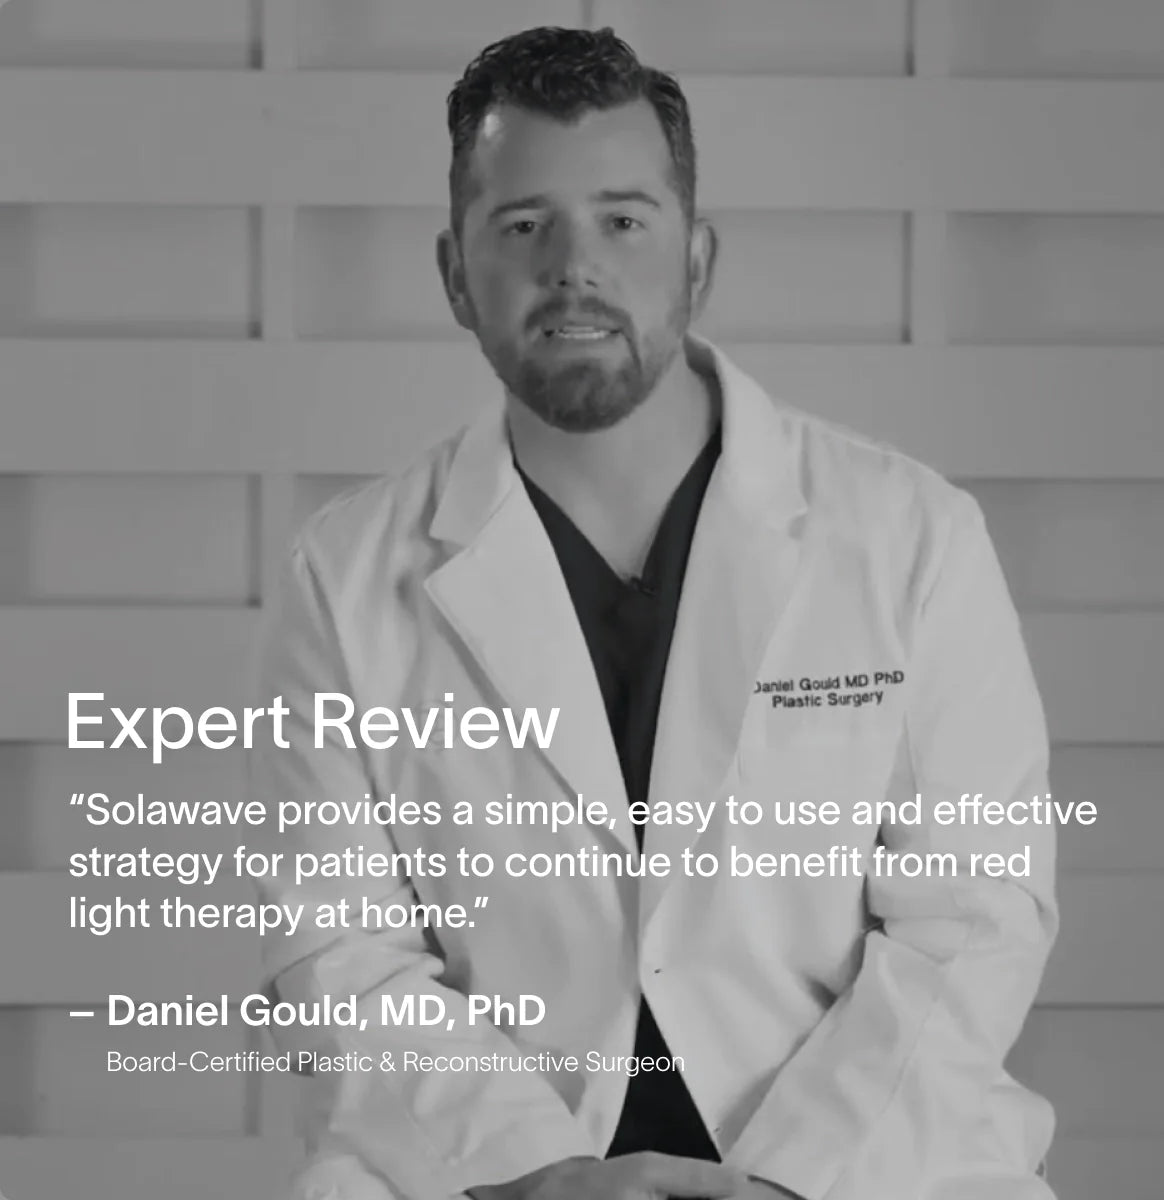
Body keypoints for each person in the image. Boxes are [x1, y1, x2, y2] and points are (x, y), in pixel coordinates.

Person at [246, 25, 1059, 1200]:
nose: (574, 268)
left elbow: (972, 919)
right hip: (497, 1173)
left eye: (623, 221)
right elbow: (337, 944)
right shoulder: (344, 575)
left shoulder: (910, 538)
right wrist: (548, 1174)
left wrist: (786, 1182)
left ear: (698, 260)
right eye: (522, 226)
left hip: (864, 1165)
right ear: (455, 272)